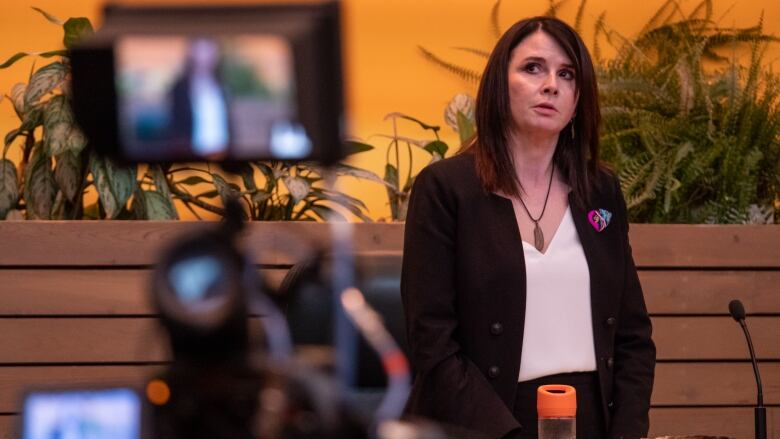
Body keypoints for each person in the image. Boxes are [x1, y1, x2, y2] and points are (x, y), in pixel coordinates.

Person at [401, 16, 655, 439]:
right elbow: (434, 345)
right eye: (532, 68)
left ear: (579, 99)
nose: (551, 84)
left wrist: (627, 431)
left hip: (594, 417)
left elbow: (633, 337)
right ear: (500, 85)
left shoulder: (601, 191)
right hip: (485, 421)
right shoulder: (446, 189)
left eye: (567, 74)